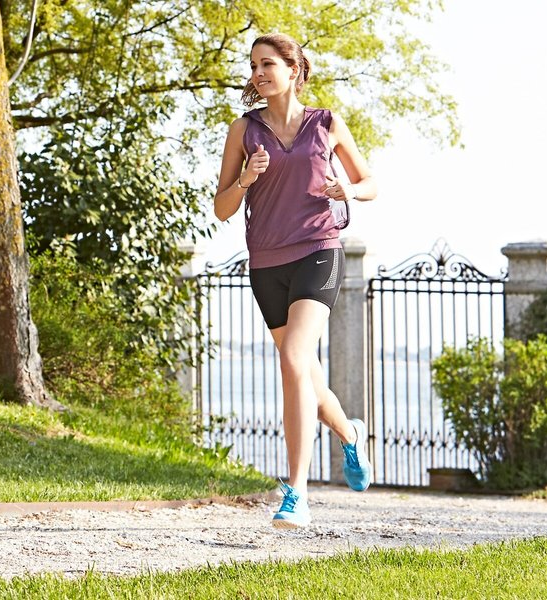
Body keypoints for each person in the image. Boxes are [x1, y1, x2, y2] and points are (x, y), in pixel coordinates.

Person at [213, 33, 377, 528]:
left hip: (318, 250)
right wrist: (246, 178)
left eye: (267, 64)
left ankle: (297, 493)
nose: (258, 73)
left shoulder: (325, 122)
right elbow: (221, 208)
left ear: (293, 69)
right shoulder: (244, 131)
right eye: (253, 66)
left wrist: (347, 189)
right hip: (267, 262)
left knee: (292, 359)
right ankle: (351, 434)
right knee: (304, 372)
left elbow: (370, 183)